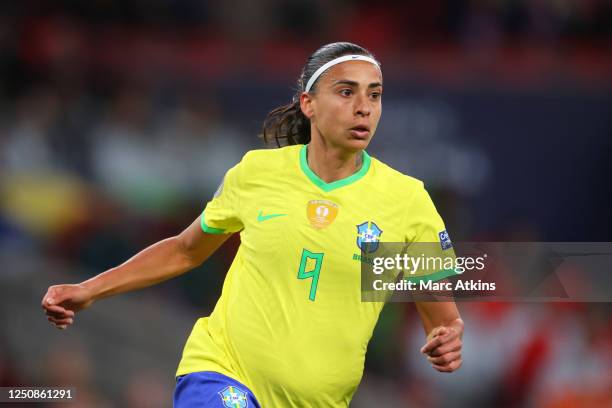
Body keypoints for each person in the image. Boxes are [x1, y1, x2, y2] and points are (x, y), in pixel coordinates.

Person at [42, 42, 464, 407]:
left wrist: (446, 341)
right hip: (222, 372)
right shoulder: (256, 173)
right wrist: (90, 288)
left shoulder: (406, 201)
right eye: (346, 92)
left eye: (374, 95)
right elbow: (186, 250)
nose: (363, 108)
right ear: (309, 104)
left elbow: (439, 315)